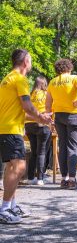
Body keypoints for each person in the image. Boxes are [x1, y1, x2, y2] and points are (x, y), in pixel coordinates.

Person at [0, 49, 52, 224]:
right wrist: (41, 117)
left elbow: (21, 111)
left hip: (6, 127)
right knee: (19, 167)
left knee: (11, 168)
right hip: (11, 130)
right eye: (30, 60)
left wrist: (40, 119)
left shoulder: (7, 78)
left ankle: (12, 206)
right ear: (25, 62)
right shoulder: (20, 79)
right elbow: (28, 106)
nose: (30, 64)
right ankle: (5, 209)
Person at [46, 59, 77, 190]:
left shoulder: (52, 82)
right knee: (73, 147)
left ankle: (64, 179)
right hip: (74, 115)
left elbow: (48, 104)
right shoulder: (74, 79)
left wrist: (49, 120)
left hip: (59, 116)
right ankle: (72, 179)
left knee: (63, 146)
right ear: (69, 68)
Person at [25, 76, 51, 185]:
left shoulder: (29, 95)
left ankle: (30, 178)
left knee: (33, 152)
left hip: (29, 124)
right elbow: (50, 108)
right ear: (44, 83)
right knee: (41, 152)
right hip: (42, 124)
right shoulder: (46, 94)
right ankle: (40, 178)